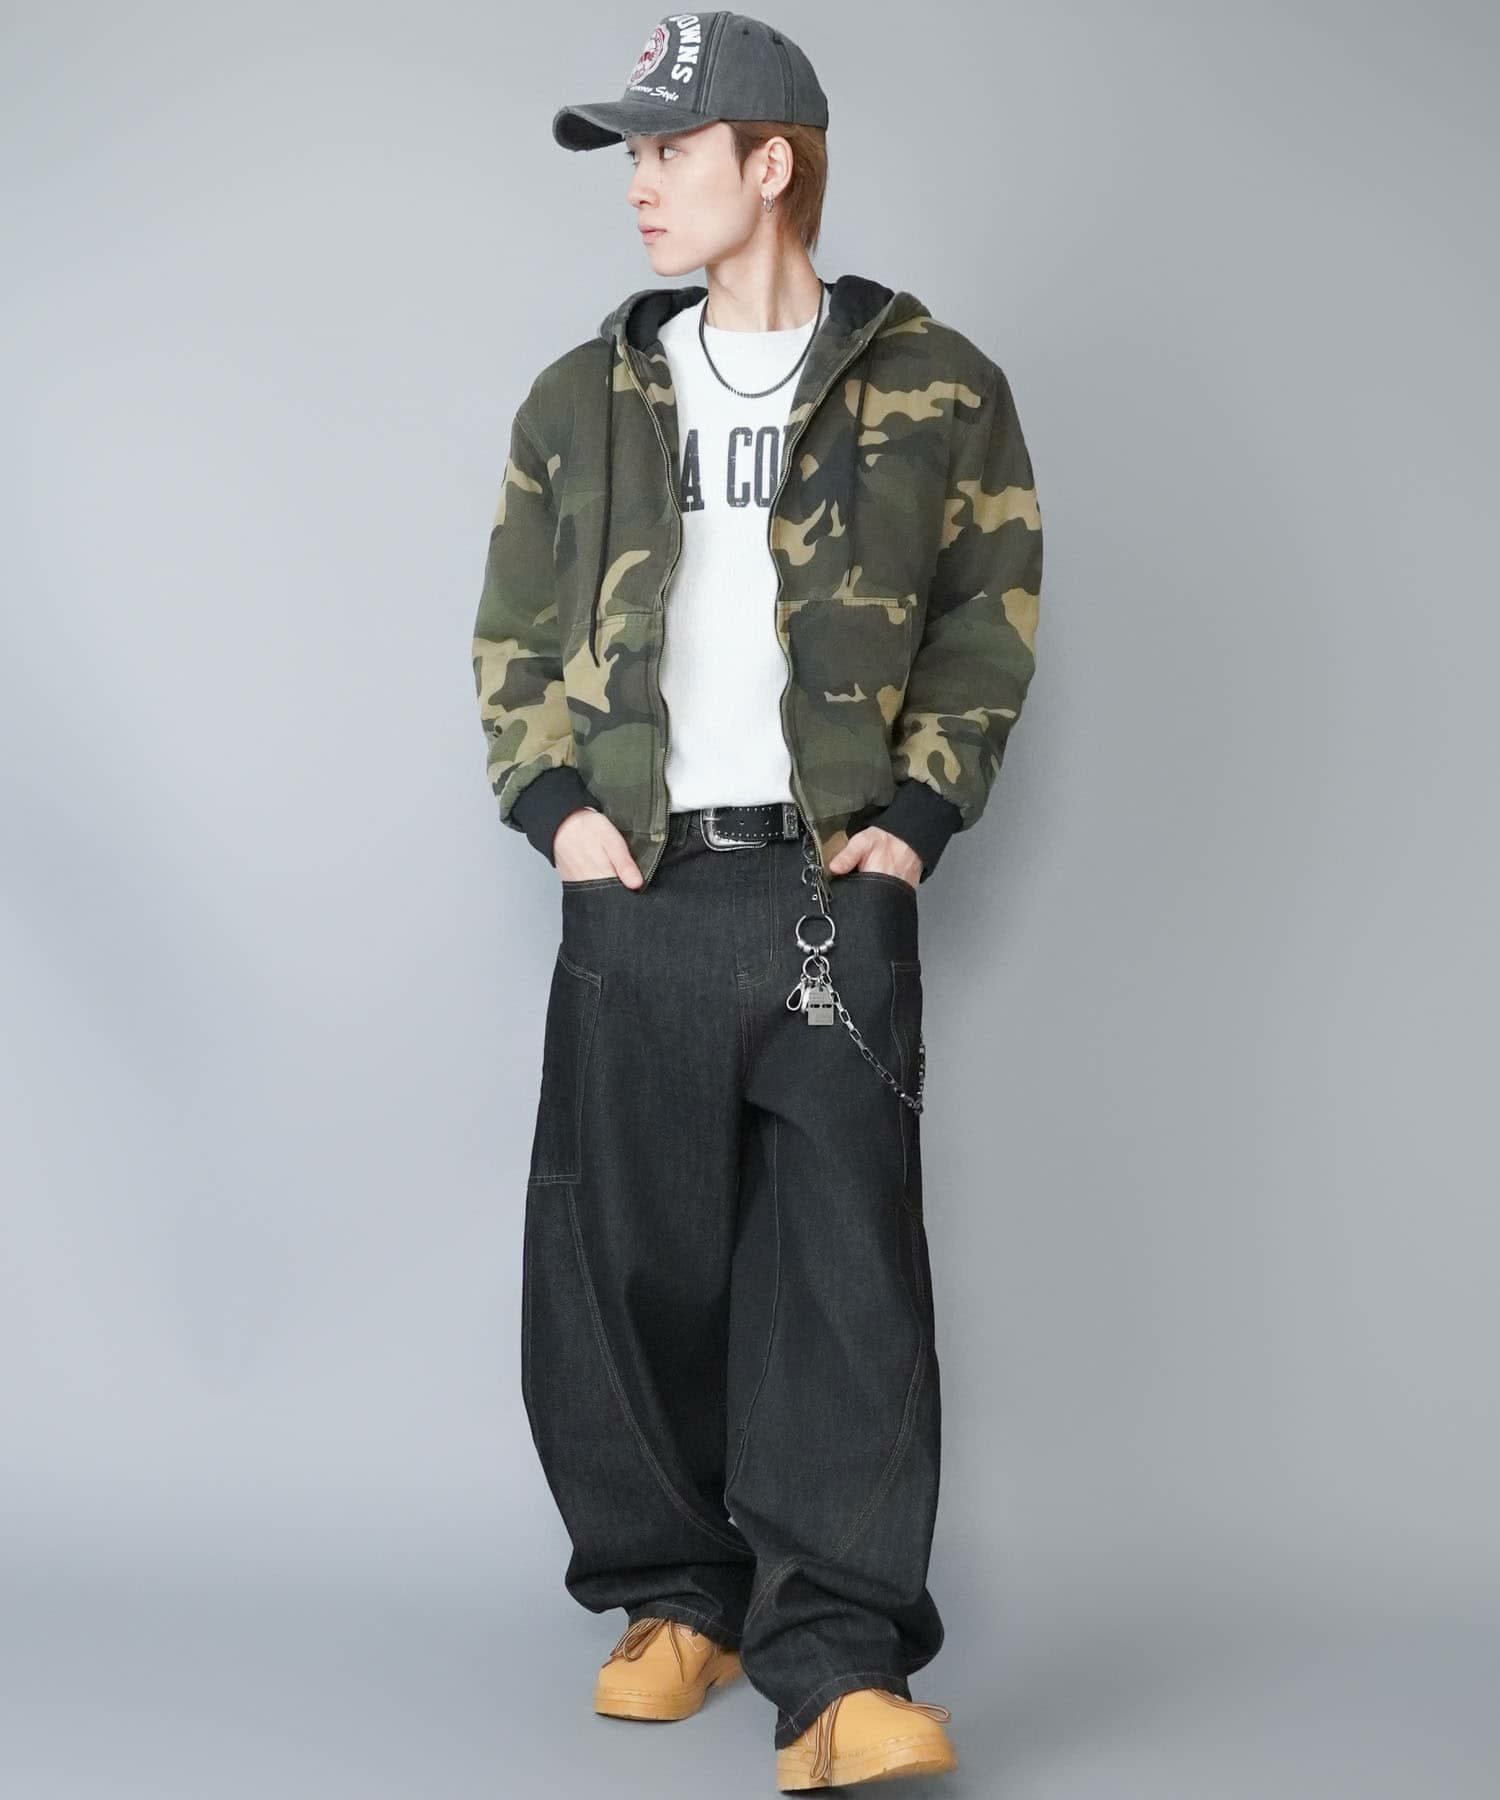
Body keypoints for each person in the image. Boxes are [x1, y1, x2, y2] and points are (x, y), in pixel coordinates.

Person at [470, 12, 1043, 1789]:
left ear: (769, 161)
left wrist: (918, 822)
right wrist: (557, 811)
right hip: (641, 881)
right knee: (619, 1266)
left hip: (829, 886)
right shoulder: (581, 398)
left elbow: (990, 613)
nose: (641, 185)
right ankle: (675, 1598)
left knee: (844, 1283)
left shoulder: (937, 383)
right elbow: (512, 633)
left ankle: (839, 1668)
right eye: (631, 155)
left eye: (669, 149)